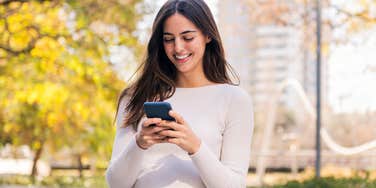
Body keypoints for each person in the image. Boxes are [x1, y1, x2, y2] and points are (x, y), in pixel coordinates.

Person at [105, 0, 254, 187]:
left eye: (187, 37)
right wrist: (140, 143)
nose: (178, 48)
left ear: (208, 35)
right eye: (168, 39)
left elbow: (234, 185)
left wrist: (195, 147)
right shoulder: (135, 96)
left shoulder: (234, 100)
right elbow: (116, 184)